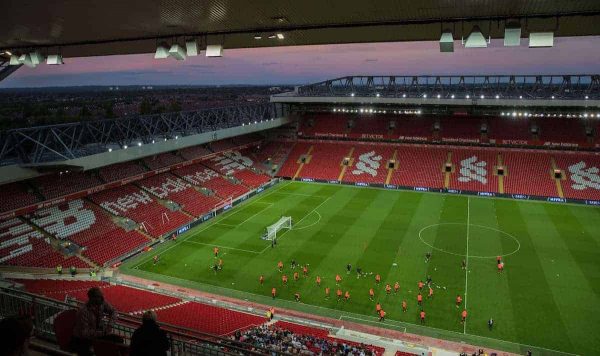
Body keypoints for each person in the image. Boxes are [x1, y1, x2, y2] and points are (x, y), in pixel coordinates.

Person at [71, 287, 117, 356]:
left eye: (102, 296)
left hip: (96, 334)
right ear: (92, 298)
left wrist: (110, 325)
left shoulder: (101, 302)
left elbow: (114, 311)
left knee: (117, 340)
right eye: (99, 297)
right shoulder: (83, 311)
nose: (102, 298)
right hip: (81, 340)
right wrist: (102, 333)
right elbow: (85, 334)